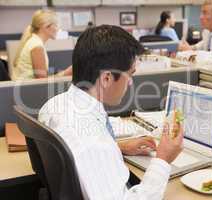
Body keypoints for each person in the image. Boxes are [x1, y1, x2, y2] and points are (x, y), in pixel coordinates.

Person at [38, 25, 183, 200]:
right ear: (106, 78)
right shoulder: (92, 142)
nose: (130, 83)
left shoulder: (54, 105)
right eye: (130, 74)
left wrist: (117, 147)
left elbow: (75, 154)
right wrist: (163, 159)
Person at [12, 9, 72, 80]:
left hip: (26, 87)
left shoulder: (33, 40)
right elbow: (42, 82)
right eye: (55, 25)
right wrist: (66, 73)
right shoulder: (37, 46)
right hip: (27, 90)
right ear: (46, 26)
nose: (58, 29)